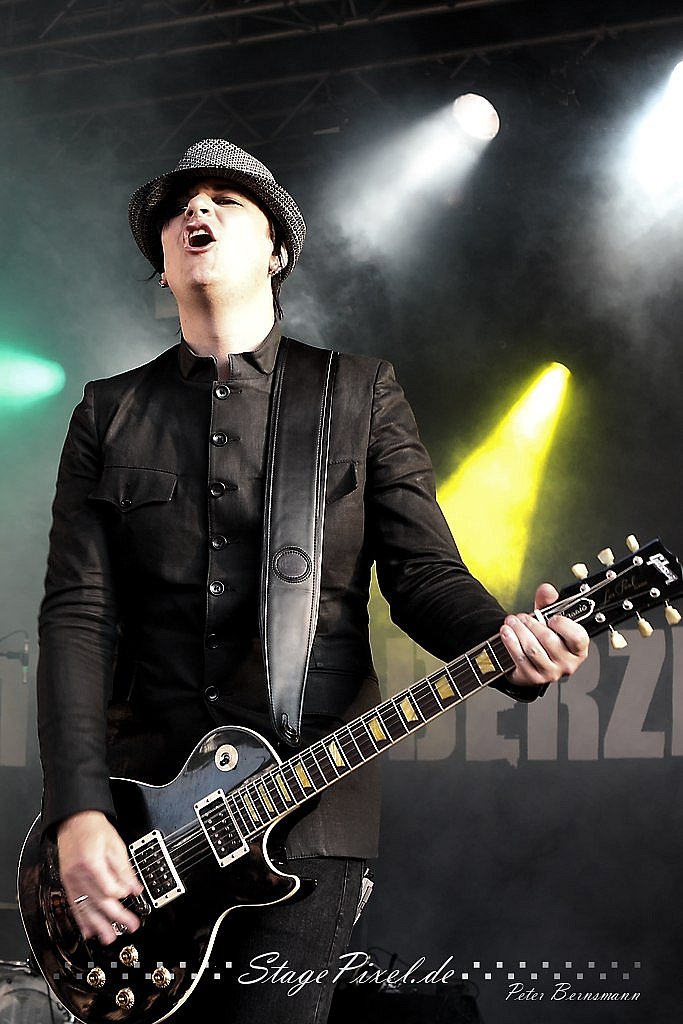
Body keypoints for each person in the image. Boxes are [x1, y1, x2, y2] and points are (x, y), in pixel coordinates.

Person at [36, 139, 589, 1024]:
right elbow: (77, 618)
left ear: (277, 250)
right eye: (179, 207)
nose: (195, 212)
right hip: (141, 822)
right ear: (163, 266)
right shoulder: (109, 411)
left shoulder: (359, 394)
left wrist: (504, 645)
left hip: (307, 810)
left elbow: (422, 575)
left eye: (225, 200)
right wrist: (77, 810)